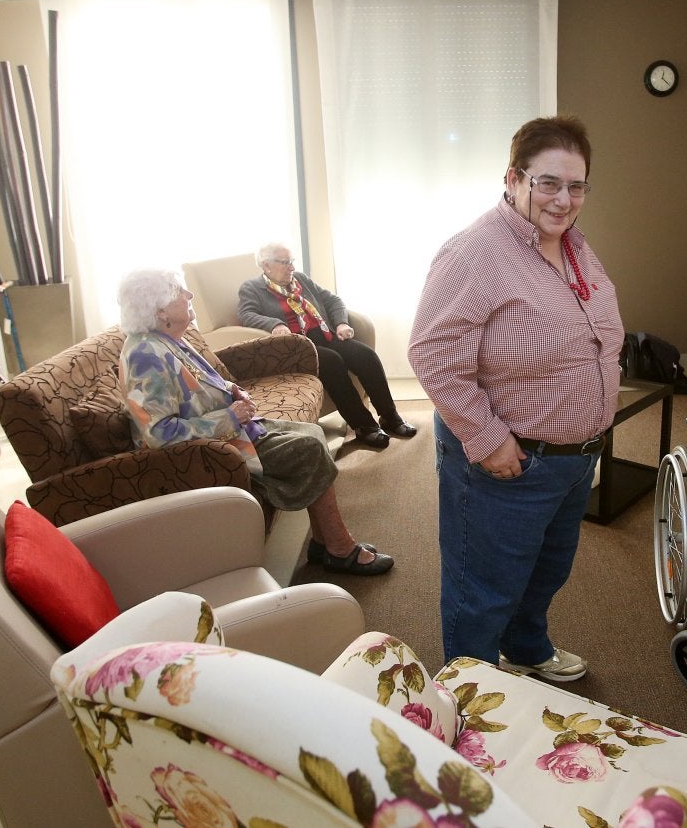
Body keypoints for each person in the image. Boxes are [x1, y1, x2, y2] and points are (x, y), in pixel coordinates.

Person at [409, 115, 623, 681]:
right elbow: (432, 352)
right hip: (509, 462)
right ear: (513, 178)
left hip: (573, 459)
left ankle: (526, 647)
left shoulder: (574, 246)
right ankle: (469, 696)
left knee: (544, 571)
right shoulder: (476, 253)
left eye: (576, 186)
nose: (564, 198)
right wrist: (487, 438)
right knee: (481, 587)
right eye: (547, 182)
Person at [117, 268, 392, 576]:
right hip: (208, 451)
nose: (189, 295)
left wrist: (231, 391)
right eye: (181, 292)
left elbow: (196, 385)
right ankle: (340, 548)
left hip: (234, 430)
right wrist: (229, 415)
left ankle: (321, 542)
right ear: (161, 310)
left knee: (313, 434)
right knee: (308, 448)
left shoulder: (167, 339)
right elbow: (158, 434)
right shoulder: (145, 355)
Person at [238, 244, 416, 450]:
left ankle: (390, 417)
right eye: (285, 263)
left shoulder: (301, 280)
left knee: (365, 355)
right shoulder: (252, 288)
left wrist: (341, 323)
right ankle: (364, 427)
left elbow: (333, 300)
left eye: (292, 261)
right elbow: (247, 314)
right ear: (266, 265)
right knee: (332, 362)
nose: (291, 267)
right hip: (299, 347)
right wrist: (274, 324)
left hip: (325, 333)